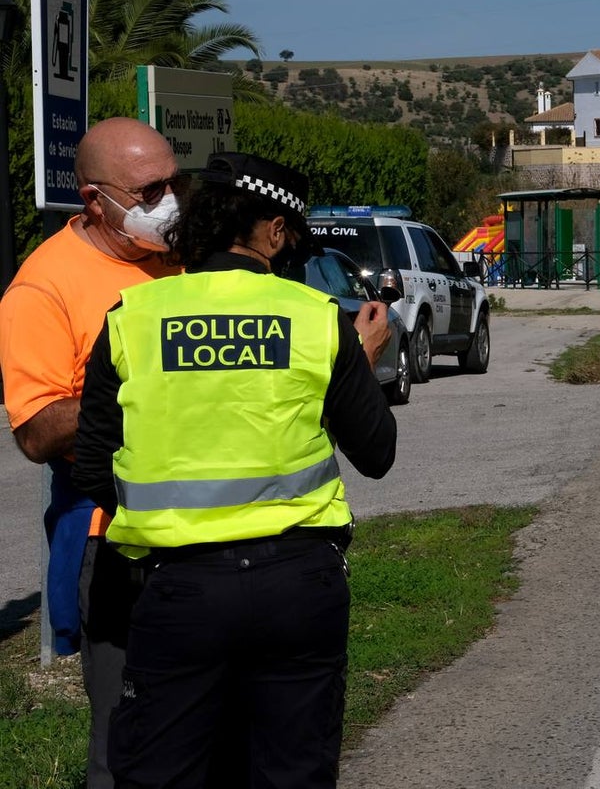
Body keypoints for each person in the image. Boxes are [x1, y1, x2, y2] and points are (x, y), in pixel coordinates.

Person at [72, 151, 397, 788]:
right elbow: (376, 454)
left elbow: (91, 471)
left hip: (178, 589)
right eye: (293, 236)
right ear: (274, 231)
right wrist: (360, 358)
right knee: (292, 772)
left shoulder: (131, 319)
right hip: (299, 586)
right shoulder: (313, 317)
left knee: (163, 772)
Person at [0, 117, 185, 788]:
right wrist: (137, 384)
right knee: (123, 741)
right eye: (149, 190)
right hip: (116, 539)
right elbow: (36, 431)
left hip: (213, 535)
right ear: (93, 200)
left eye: (175, 181)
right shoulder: (43, 286)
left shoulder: (184, 258)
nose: (170, 201)